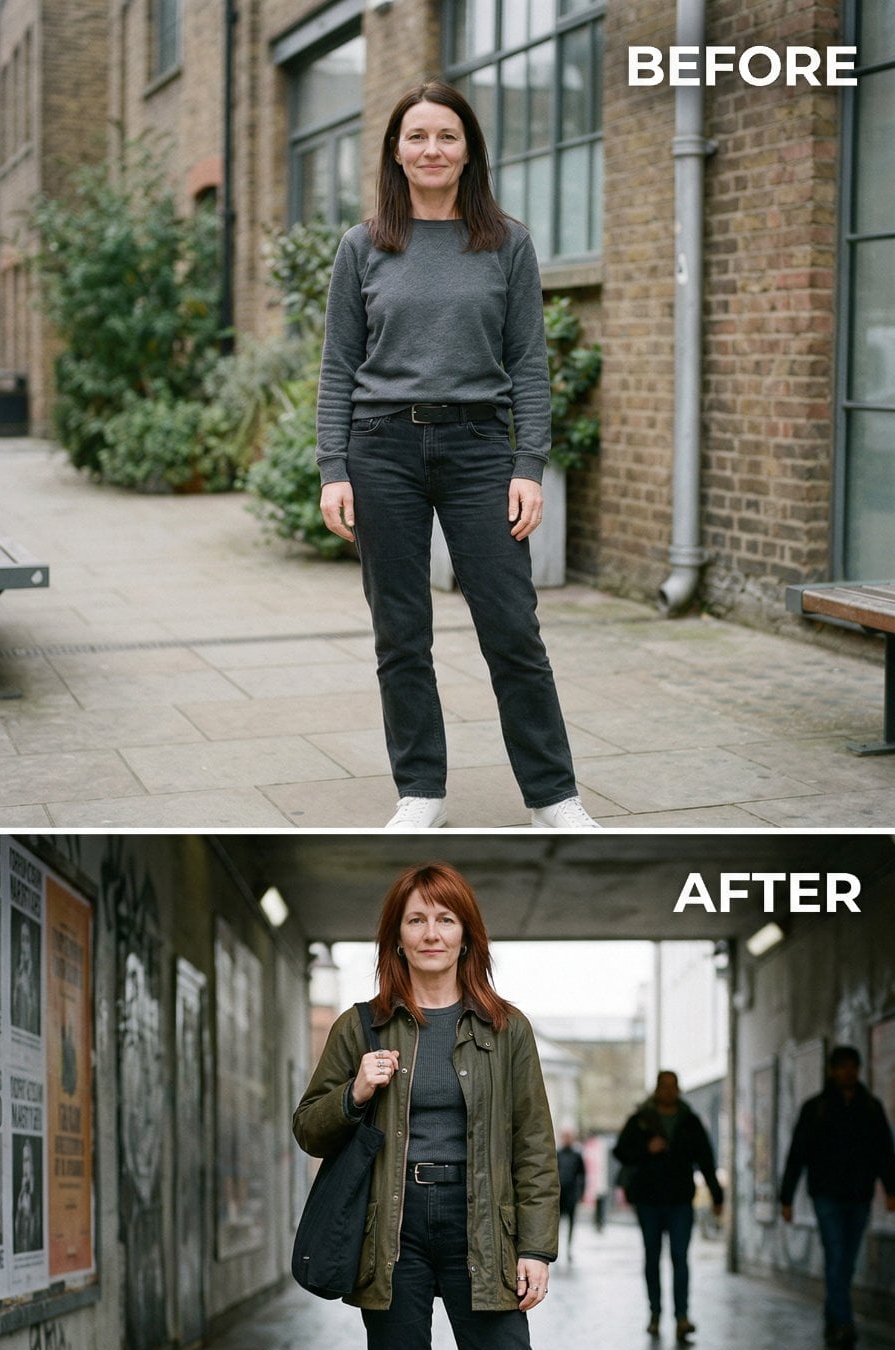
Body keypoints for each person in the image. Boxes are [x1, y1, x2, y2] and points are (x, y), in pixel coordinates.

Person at [294, 862, 606, 1350]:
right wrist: (354, 1092)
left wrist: (536, 1247)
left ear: (467, 932)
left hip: (481, 1232)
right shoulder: (360, 1027)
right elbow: (308, 1128)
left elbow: (535, 1144)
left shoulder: (506, 1028)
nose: (431, 934)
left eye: (445, 920)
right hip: (391, 1234)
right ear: (395, 934)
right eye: (416, 920)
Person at [316, 80, 597, 831]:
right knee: (400, 630)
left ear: (468, 149)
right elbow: (339, 366)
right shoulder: (363, 246)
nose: (431, 149)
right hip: (382, 448)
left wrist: (527, 465)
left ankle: (553, 796)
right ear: (396, 152)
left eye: (446, 136)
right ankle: (422, 792)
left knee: (512, 624)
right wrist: (333, 469)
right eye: (417, 137)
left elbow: (529, 364)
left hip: (478, 449)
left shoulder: (506, 243)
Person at [780, 1044, 895, 1350]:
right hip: (827, 1194)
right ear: (832, 1071)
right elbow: (797, 1155)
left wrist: (891, 1188)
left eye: (852, 1067)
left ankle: (833, 1317)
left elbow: (885, 1151)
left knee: (846, 1259)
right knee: (836, 1253)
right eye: (841, 1066)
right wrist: (786, 1197)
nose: (847, 1072)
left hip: (860, 1194)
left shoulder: (871, 1108)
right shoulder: (816, 1108)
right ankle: (844, 1324)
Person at [613, 1070, 723, 1341]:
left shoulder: (690, 1121)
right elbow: (620, 1151)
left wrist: (717, 1195)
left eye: (674, 1087)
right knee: (652, 1257)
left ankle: (682, 1317)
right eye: (664, 1086)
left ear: (679, 1090)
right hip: (648, 1200)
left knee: (680, 1258)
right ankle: (655, 1313)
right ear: (656, 1089)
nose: (669, 1092)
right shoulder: (640, 1120)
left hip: (680, 1201)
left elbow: (706, 1158)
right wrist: (646, 1148)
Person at [556, 1129, 586, 1261]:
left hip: (571, 1194)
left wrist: (581, 1194)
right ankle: (555, 1249)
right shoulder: (557, 1154)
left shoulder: (577, 1155)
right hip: (559, 1195)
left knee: (571, 1224)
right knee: (557, 1225)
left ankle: (569, 1249)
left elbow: (582, 1175)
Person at [13, 1136, 42, 1255]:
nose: (26, 1168)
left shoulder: (36, 1200)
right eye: (24, 1161)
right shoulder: (21, 1198)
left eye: (28, 1161)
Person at [11, 917, 40, 1034]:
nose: (25, 945)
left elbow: (34, 1010)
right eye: (22, 940)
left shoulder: (34, 975)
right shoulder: (16, 971)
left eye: (27, 940)